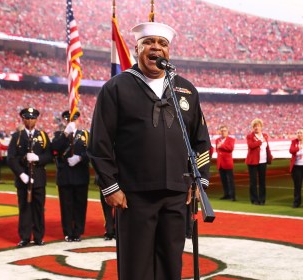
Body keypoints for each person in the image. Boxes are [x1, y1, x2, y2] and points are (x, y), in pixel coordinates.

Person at [88, 21, 211, 279]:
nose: (156, 47)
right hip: (133, 195)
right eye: (149, 43)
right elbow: (99, 142)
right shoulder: (116, 87)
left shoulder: (186, 89)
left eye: (163, 43)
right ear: (137, 48)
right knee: (136, 267)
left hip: (177, 195)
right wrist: (110, 186)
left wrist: (197, 182)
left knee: (170, 266)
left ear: (169, 51)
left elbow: (200, 142)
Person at [7, 107, 52, 247]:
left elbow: (49, 155)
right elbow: (11, 158)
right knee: (25, 208)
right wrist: (21, 174)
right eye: (27, 118)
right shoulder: (17, 136)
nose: (30, 120)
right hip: (23, 180)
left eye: (33, 118)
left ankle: (38, 237)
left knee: (39, 208)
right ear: (23, 119)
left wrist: (38, 158)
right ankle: (25, 237)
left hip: (38, 179)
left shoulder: (43, 136)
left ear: (37, 120)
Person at [51, 111, 90, 242]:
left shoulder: (85, 135)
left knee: (80, 205)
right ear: (64, 121)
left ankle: (78, 232)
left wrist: (80, 157)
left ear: (79, 120)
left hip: (80, 175)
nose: (71, 122)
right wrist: (66, 133)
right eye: (67, 120)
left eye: (73, 119)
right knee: (66, 206)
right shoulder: (59, 135)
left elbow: (93, 152)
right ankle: (68, 232)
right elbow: (54, 149)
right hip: (65, 176)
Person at [245, 118, 273, 205]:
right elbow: (251, 145)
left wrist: (270, 156)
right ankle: (254, 199)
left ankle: (262, 199)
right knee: (253, 181)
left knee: (262, 181)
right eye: (255, 126)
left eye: (258, 126)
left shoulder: (265, 135)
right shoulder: (250, 136)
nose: (256, 128)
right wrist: (260, 141)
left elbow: (267, 147)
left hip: (263, 161)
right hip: (252, 161)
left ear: (261, 127)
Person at [216, 125, 236, 201]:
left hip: (228, 163)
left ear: (227, 131)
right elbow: (217, 150)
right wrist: (221, 146)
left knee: (230, 180)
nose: (223, 132)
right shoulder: (218, 139)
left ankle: (232, 196)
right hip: (220, 163)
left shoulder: (231, 139)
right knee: (223, 180)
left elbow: (230, 148)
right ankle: (226, 194)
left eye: (224, 131)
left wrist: (222, 146)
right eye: (222, 131)